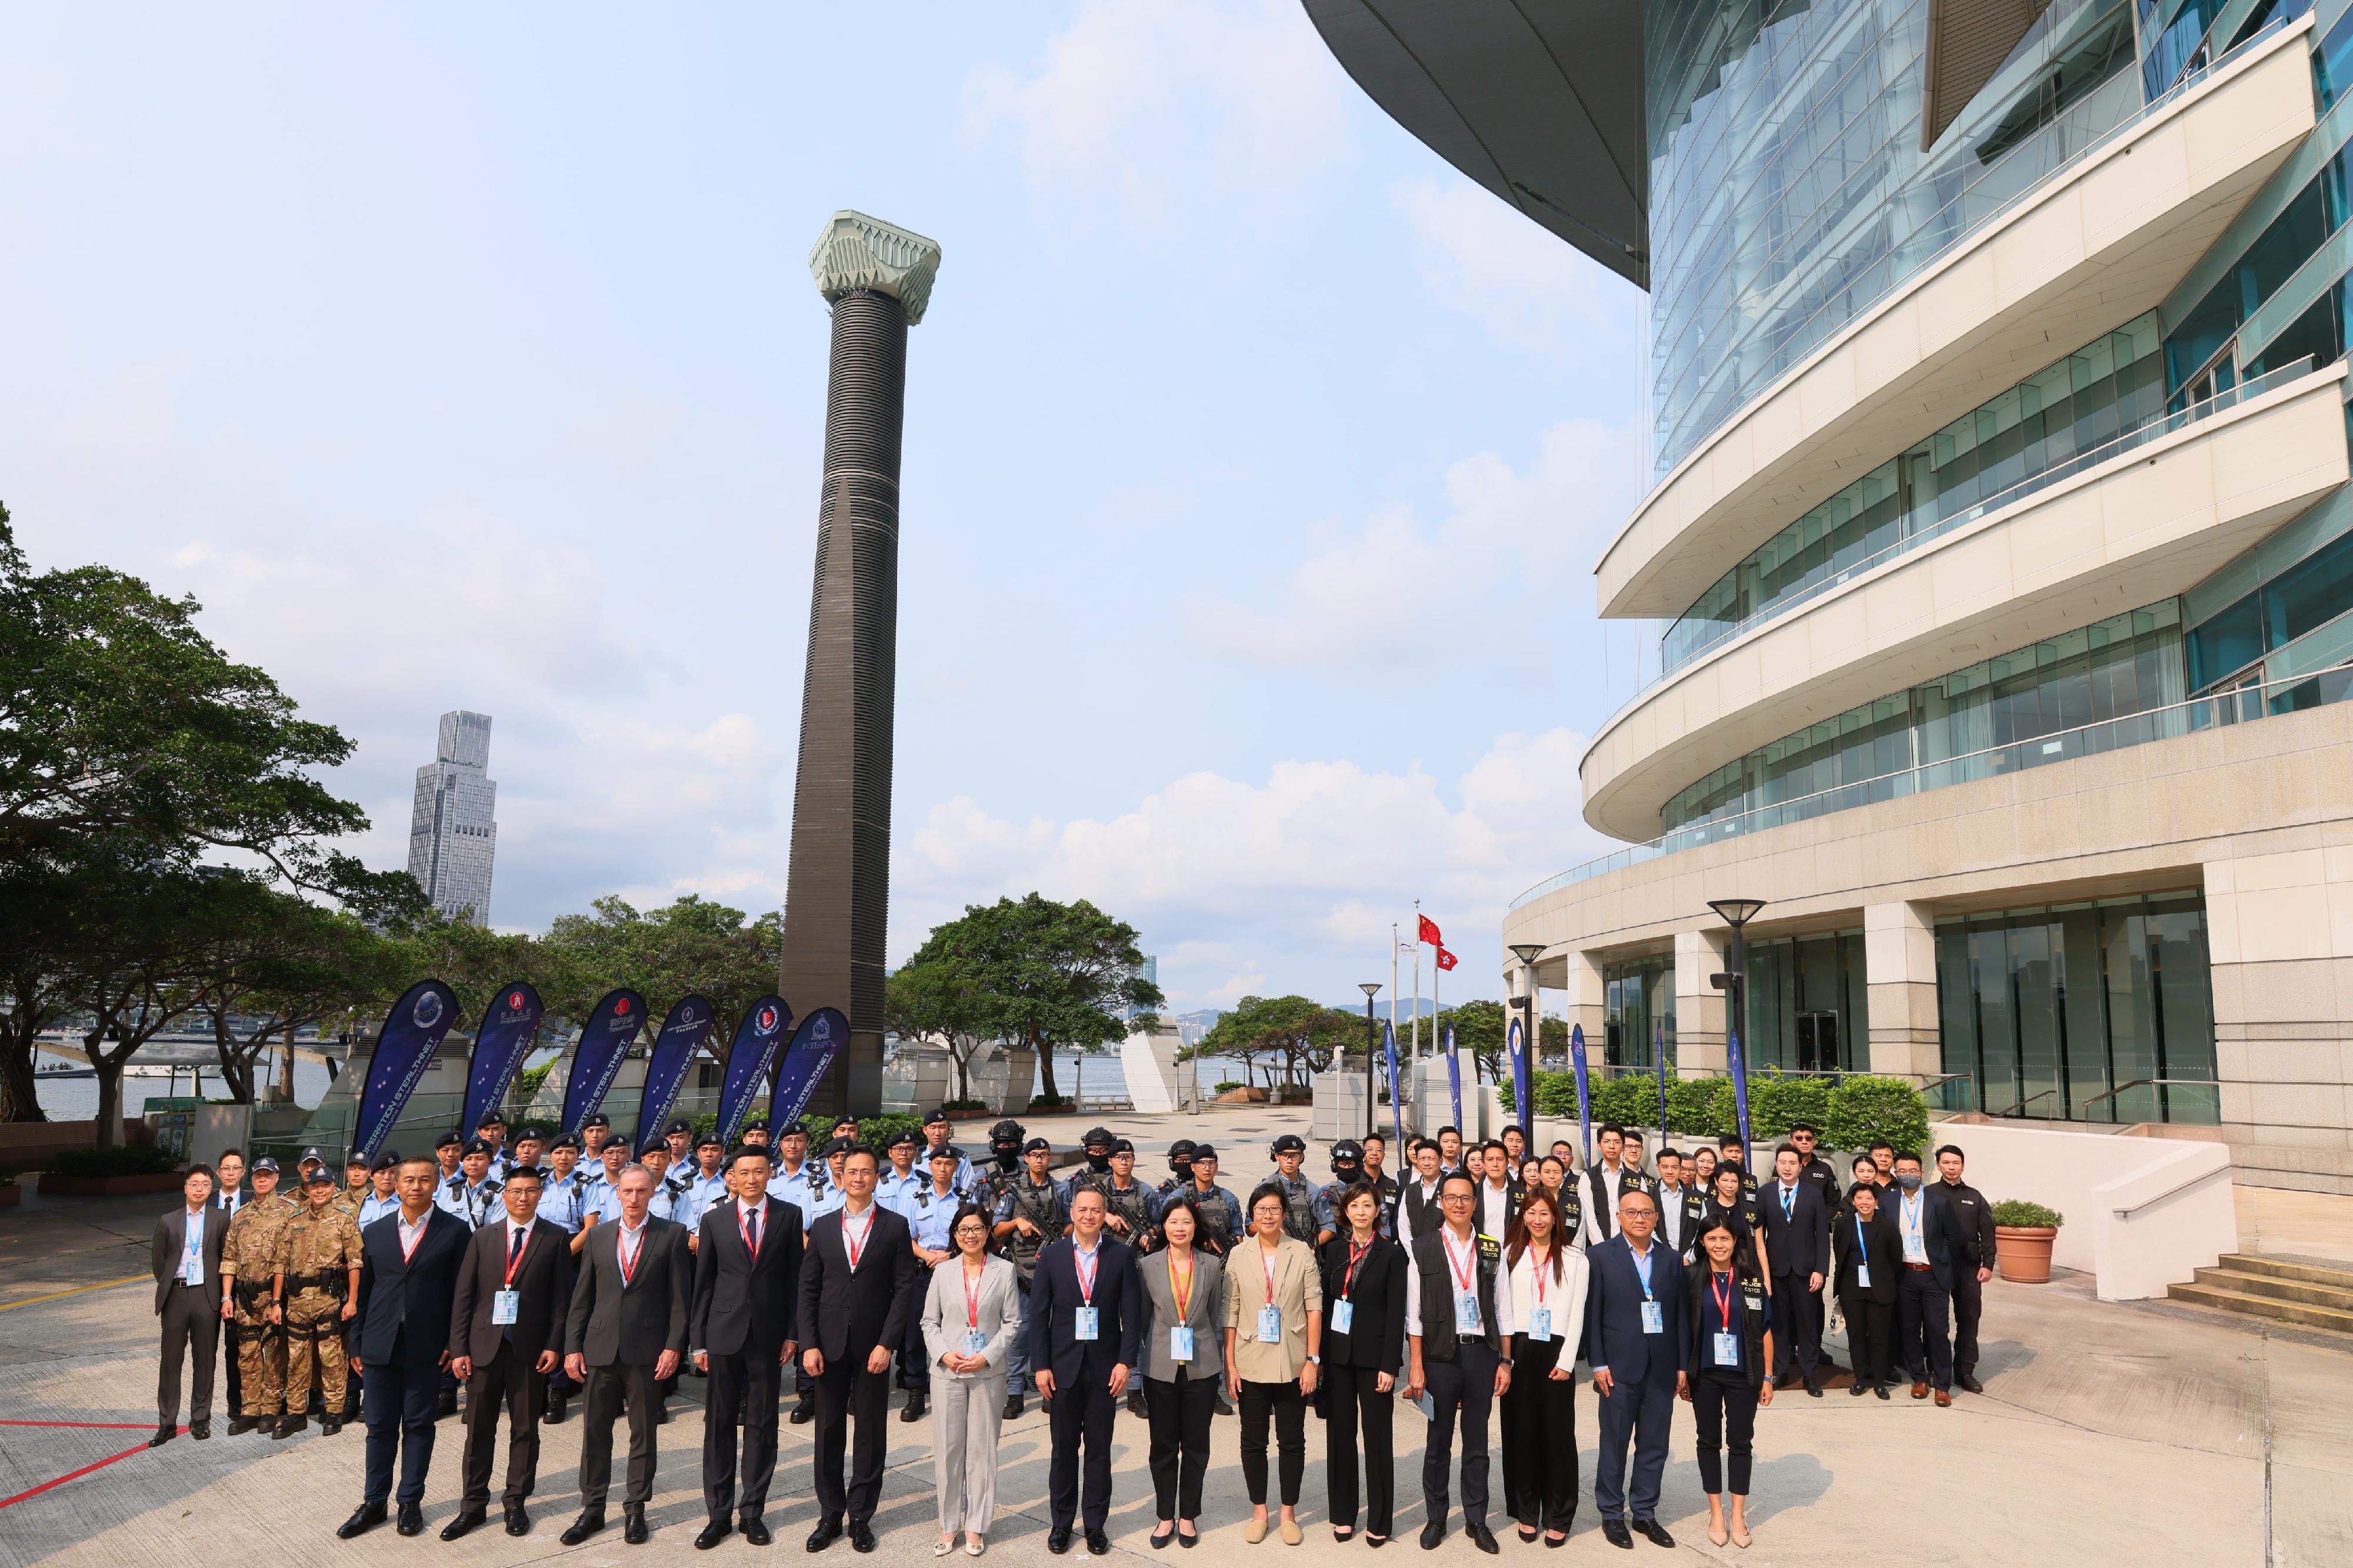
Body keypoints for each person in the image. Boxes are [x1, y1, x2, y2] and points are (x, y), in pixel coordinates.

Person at [339, 1155, 470, 1539]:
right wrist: (356, 1343)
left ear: (436, 1185)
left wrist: (453, 1341)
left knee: (418, 1426)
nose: (416, 1186)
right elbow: (363, 1294)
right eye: (409, 1180)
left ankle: (410, 1501)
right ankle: (374, 1502)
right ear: (396, 1185)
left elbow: (462, 1294)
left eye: (424, 1180)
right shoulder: (376, 1232)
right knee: (379, 1427)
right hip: (379, 1345)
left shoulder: (455, 1231)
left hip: (427, 1348)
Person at [561, 1164, 691, 1546]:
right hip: (600, 1348)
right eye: (628, 1191)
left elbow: (680, 1300)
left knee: (643, 1433)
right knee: (595, 1433)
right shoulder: (598, 1235)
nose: (634, 1198)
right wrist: (572, 1347)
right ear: (617, 1193)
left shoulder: (672, 1234)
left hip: (647, 1351)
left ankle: (636, 1508)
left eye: (641, 1191)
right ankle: (592, 1509)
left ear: (652, 1193)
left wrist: (673, 1346)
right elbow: (582, 1297)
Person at [800, 1145, 921, 1553]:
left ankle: (861, 1517)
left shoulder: (894, 1226)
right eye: (851, 1171)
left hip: (873, 1347)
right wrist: (809, 1344)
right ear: (841, 1177)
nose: (858, 1178)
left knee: (870, 1432)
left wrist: (888, 1343)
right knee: (828, 1430)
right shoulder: (822, 1226)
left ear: (876, 1178)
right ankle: (830, 1514)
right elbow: (808, 1290)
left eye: (866, 1172)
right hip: (829, 1345)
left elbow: (903, 1290)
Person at [445, 1164, 573, 1540]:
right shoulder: (483, 1237)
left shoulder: (555, 1238)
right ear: (505, 1195)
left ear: (540, 1194)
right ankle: (472, 1505)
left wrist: (554, 1344)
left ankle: (516, 1501)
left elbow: (561, 1301)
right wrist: (459, 1348)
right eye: (516, 1191)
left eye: (530, 1191)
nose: (523, 1197)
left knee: (525, 1429)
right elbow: (464, 1297)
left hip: (530, 1350)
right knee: (479, 1429)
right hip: (484, 1347)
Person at [691, 1146, 805, 1549]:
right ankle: (718, 1515)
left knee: (762, 1424)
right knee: (719, 1424)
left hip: (768, 1336)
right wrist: (698, 1341)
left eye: (759, 1171)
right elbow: (703, 1283)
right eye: (744, 1173)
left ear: (769, 1174)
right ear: (733, 1178)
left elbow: (795, 1280)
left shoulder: (789, 1216)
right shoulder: (715, 1219)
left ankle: (752, 1512)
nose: (752, 1179)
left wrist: (793, 1333)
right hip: (723, 1333)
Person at [1027, 1185, 1144, 1556]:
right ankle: (1061, 1523)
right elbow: (1038, 1316)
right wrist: (1041, 1366)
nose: (1089, 1216)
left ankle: (1095, 1524)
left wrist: (1126, 1362)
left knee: (1098, 1451)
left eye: (1096, 1210)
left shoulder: (1120, 1255)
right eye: (1083, 1209)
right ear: (1072, 1213)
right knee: (1063, 1451)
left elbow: (1132, 1314)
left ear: (1104, 1214)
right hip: (1062, 1370)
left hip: (1105, 1370)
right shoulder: (1053, 1256)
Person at [1405, 1168, 1509, 1553]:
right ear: (1441, 1203)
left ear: (1475, 1203)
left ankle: (1476, 1519)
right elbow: (1414, 1314)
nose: (1459, 1204)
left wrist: (1506, 1361)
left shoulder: (1491, 1247)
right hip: (1440, 1357)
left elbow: (1503, 1307)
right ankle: (1436, 1517)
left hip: (1482, 1353)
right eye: (1452, 1198)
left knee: (1477, 1442)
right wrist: (1416, 1365)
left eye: (1466, 1198)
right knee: (1438, 1441)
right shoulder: (1422, 1248)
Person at [1585, 1188, 1688, 1550]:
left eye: (1646, 1212)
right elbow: (1592, 1314)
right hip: (1617, 1368)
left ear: (1656, 1218)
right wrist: (1598, 1363)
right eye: (1631, 1212)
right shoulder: (1599, 1256)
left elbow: (1681, 1316)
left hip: (1662, 1367)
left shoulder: (1672, 1260)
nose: (1639, 1218)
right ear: (1619, 1217)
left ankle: (1644, 1512)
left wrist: (1682, 1365)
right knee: (1614, 1443)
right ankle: (1612, 1513)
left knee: (1655, 1444)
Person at [920, 1203, 1021, 1557]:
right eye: (963, 1229)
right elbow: (929, 1322)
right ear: (955, 1234)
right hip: (948, 1371)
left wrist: (986, 1355)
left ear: (988, 1231)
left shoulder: (1004, 1271)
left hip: (986, 1371)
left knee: (982, 1449)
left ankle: (976, 1525)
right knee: (949, 1449)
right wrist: (944, 1354)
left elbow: (1012, 1322)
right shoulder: (943, 1271)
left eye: (977, 1228)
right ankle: (949, 1524)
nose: (970, 1235)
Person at [1224, 1183, 1322, 1546]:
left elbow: (1314, 1308)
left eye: (1275, 1209)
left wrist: (1312, 1361)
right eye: (1261, 1209)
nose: (1268, 1216)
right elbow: (1230, 1311)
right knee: (1253, 1442)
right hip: (1250, 1361)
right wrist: (1230, 1365)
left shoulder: (1301, 1252)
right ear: (1252, 1215)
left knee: (1291, 1441)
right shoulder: (1239, 1255)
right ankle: (1260, 1512)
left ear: (1284, 1214)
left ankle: (1288, 1513)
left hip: (1292, 1361)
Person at [1318, 1182, 1405, 1546]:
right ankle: (1343, 1514)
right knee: (1340, 1436)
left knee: (1377, 1439)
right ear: (1345, 1212)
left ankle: (1380, 1519)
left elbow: (1396, 1313)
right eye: (1354, 1206)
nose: (1360, 1212)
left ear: (1377, 1211)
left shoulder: (1392, 1254)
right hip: (1338, 1358)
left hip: (1375, 1360)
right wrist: (1320, 1359)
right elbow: (1326, 1307)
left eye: (1367, 1205)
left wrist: (1390, 1365)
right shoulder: (1335, 1251)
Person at [1501, 1187, 1588, 1546]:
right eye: (1531, 1213)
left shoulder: (1575, 1258)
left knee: (1558, 1438)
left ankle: (1559, 1514)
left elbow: (1578, 1315)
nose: (1538, 1220)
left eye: (1545, 1213)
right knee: (1521, 1436)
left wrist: (1567, 1361)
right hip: (1520, 1351)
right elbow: (1502, 1311)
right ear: (1523, 1217)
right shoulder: (1510, 1254)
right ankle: (1527, 1510)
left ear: (1555, 1218)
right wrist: (1505, 1360)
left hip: (1556, 1353)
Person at [1680, 1217, 1773, 1549]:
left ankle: (1738, 1514)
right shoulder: (1692, 1278)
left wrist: (1768, 1377)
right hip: (1704, 1373)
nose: (1719, 1245)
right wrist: (1683, 1372)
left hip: (1743, 1374)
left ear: (1735, 1241)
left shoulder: (1751, 1280)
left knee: (1741, 1441)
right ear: (1702, 1242)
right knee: (1708, 1440)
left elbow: (1765, 1330)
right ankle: (1716, 1512)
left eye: (1725, 1239)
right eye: (1712, 1239)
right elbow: (1683, 1329)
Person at [1140, 1196, 1225, 1549]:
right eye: (1174, 1222)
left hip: (1201, 1367)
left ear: (1195, 1227)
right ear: (1164, 1226)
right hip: (1160, 1367)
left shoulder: (1211, 1264)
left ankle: (1188, 1515)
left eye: (1187, 1222)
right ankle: (1165, 1516)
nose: (1180, 1228)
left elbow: (1214, 1312)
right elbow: (1144, 1317)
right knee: (1162, 1445)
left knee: (1195, 1445)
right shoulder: (1147, 1265)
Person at [276, 1166, 364, 1439]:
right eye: (316, 1186)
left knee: (332, 1359)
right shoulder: (295, 1221)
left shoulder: (343, 1220)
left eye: (325, 1185)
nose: (320, 1190)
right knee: (296, 1361)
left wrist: (352, 1301)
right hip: (298, 1303)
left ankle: (334, 1412)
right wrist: (276, 1302)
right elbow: (281, 1264)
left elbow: (355, 1263)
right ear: (309, 1188)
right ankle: (296, 1414)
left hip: (330, 1302)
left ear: (333, 1187)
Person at [991, 1134, 1068, 1420]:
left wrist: (1061, 1236)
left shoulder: (1061, 1190)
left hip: (1055, 1271)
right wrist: (1017, 1222)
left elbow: (1071, 1224)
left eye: (1044, 1155)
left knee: (1053, 1331)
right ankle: (1014, 1394)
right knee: (1020, 1334)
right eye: (1035, 1155)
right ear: (1026, 1159)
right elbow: (996, 1230)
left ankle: (1049, 1390)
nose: (1040, 1160)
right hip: (1022, 1273)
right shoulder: (1012, 1192)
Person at [152, 1163, 229, 1447]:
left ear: (211, 1188)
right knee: (171, 1360)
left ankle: (200, 1417)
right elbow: (159, 1261)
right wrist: (171, 1284)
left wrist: (223, 1295)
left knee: (205, 1358)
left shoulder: (221, 1218)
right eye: (194, 1184)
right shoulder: (168, 1220)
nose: (199, 1189)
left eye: (205, 1185)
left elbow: (226, 1256)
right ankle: (167, 1421)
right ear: (185, 1187)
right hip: (176, 1294)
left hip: (206, 1295)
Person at [220, 1155, 295, 1436]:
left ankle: (271, 1409)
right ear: (251, 1179)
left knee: (274, 1355)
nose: (262, 1180)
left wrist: (278, 1301)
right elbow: (229, 1258)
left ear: (277, 1178)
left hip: (273, 1297)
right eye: (258, 1175)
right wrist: (227, 1297)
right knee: (247, 1355)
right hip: (244, 1299)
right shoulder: (241, 1216)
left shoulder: (289, 1212)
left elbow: (289, 1259)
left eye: (268, 1175)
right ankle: (250, 1409)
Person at [1889, 1152, 1964, 1406]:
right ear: (1896, 1174)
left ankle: (1942, 1385)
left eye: (1913, 1170)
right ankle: (1919, 1379)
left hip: (1933, 1276)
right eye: (1902, 1171)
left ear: (1921, 1173)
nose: (1908, 1175)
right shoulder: (1888, 1201)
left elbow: (1953, 1238)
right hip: (1904, 1275)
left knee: (1937, 1330)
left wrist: (1942, 1263)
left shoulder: (1939, 1201)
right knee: (1909, 1330)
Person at [1759, 1143, 1830, 1397]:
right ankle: (1780, 1370)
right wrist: (1763, 1274)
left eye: (1792, 1163)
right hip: (1776, 1270)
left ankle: (1809, 1375)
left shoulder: (1814, 1194)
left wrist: (1820, 1270)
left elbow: (1822, 1235)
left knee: (1807, 1324)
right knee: (1778, 1324)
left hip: (1806, 1271)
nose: (1787, 1168)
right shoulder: (1765, 1193)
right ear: (1776, 1165)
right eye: (1783, 1162)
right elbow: (1759, 1236)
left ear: (1801, 1166)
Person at [1935, 1145, 1998, 1393]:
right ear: (1938, 1165)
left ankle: (1965, 1371)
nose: (1951, 1167)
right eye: (1946, 1163)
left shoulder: (1975, 1197)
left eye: (1956, 1163)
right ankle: (1936, 1368)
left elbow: (1988, 1233)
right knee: (1936, 1322)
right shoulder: (1929, 1194)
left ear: (1963, 1165)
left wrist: (1988, 1265)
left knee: (1969, 1319)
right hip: (1937, 1267)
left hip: (1968, 1268)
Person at [1832, 1180, 1899, 1398]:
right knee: (1856, 1336)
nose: (1864, 1202)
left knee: (1879, 1337)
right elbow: (1840, 1252)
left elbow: (1895, 1258)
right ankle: (1860, 1379)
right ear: (1853, 1201)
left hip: (1880, 1289)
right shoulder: (1844, 1224)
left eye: (1869, 1198)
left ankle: (1879, 1382)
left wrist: (1883, 1277)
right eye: (1860, 1198)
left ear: (1876, 1201)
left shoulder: (1887, 1225)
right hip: (1852, 1289)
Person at [1702, 1160, 1772, 1282]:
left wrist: (1767, 1279)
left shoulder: (1752, 1210)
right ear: (1716, 1181)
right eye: (1725, 1180)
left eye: (1734, 1181)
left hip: (1746, 1268)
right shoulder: (1706, 1207)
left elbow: (1760, 1246)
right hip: (1713, 1268)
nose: (1730, 1185)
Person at [1181, 1146, 1244, 1258]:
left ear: (1217, 1167)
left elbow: (1238, 1234)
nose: (1207, 1168)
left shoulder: (1228, 1198)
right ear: (1193, 1167)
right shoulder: (1179, 1197)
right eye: (1202, 1163)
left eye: (1211, 1163)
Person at [1261, 1135, 1320, 1246]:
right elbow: (1250, 1227)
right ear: (1277, 1156)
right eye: (1285, 1155)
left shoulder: (1313, 1191)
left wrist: (1313, 1246)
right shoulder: (1264, 1189)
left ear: (1301, 1157)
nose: (1289, 1161)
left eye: (1294, 1156)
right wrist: (1272, 1228)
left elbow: (1328, 1227)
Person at [1653, 1149, 1698, 1262]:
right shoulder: (1649, 1196)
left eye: (1674, 1167)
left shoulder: (1696, 1197)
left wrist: (1689, 1258)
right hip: (1658, 1259)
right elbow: (1647, 1229)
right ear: (1658, 1168)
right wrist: (1665, 1254)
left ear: (1680, 1169)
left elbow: (1702, 1230)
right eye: (1665, 1167)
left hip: (1689, 1262)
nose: (1670, 1171)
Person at [1398, 1139, 1447, 1242]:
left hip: (1444, 1249)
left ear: (1441, 1161)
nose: (1426, 1163)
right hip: (1413, 1249)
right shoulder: (1410, 1190)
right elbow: (1403, 1226)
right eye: (1422, 1159)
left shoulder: (1450, 1187)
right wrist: (1414, 1250)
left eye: (1431, 1159)